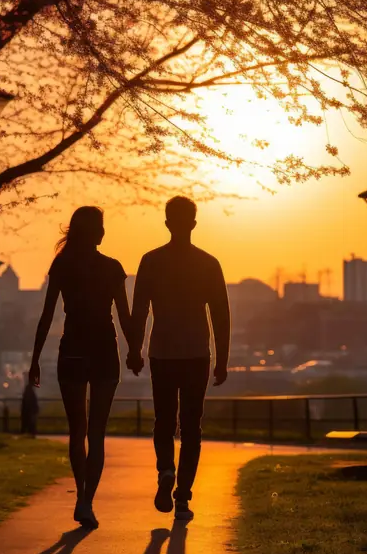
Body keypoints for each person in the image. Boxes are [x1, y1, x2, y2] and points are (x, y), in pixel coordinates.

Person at [127, 196, 230, 522]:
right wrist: (223, 359)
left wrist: (134, 350)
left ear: (168, 222)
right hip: (197, 352)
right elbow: (221, 315)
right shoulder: (208, 263)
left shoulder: (151, 261)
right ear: (194, 224)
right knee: (191, 427)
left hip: (162, 352)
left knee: (163, 420)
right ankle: (183, 496)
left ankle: (165, 471)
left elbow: (139, 310)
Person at [29, 206, 131, 530]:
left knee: (78, 431)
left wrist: (34, 359)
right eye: (101, 227)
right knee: (97, 432)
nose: (104, 232)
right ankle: (87, 501)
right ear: (96, 232)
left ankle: (81, 497)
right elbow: (125, 318)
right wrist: (136, 353)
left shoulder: (63, 265)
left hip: (71, 350)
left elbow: (47, 316)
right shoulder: (113, 269)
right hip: (104, 351)